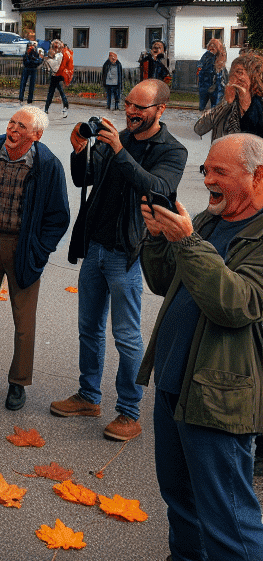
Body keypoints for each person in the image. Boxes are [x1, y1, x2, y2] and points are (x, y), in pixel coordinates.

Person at [131, 133, 263, 561]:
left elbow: (237, 304)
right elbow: (164, 281)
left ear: (257, 176)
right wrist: (159, 238)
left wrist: (188, 241)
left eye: (219, 172)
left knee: (229, 515)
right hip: (176, 380)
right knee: (177, 486)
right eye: (205, 169)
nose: (206, 180)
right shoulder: (210, 221)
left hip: (220, 394)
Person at [51, 78, 188, 440]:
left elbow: (157, 188)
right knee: (89, 329)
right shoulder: (119, 137)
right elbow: (84, 178)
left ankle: (129, 412)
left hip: (127, 252)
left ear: (160, 109)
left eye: (139, 107)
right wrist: (79, 151)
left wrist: (119, 151)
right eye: (128, 103)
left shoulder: (172, 150)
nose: (130, 112)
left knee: (126, 336)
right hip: (95, 246)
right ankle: (88, 396)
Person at [0, 107, 70, 411]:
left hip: (23, 246)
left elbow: (59, 216)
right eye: (12, 122)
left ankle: (18, 382)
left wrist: (40, 250)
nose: (13, 129)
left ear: (37, 135)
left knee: (24, 319)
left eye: (22, 126)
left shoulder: (48, 164)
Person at [194, 50, 263, 142]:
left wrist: (246, 104)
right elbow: (199, 128)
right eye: (232, 72)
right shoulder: (229, 99)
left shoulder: (259, 104)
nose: (234, 77)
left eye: (239, 72)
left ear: (253, 77)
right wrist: (226, 103)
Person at [197, 38, 228, 112]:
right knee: (202, 106)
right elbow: (200, 66)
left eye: (214, 45)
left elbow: (223, 76)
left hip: (217, 85)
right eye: (211, 45)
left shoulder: (221, 57)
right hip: (205, 84)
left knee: (215, 106)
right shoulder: (206, 55)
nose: (212, 47)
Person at [43, 39, 70, 118]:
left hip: (58, 76)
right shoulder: (58, 55)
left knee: (57, 92)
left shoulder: (61, 56)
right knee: (54, 92)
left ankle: (64, 107)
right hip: (55, 76)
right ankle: (47, 108)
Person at [19, 40, 42, 105]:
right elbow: (26, 62)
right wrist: (33, 61)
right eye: (30, 46)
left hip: (33, 69)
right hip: (27, 68)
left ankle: (30, 100)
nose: (31, 47)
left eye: (32, 46)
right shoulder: (27, 53)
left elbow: (39, 61)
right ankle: (21, 98)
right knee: (23, 83)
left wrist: (34, 61)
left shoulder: (36, 53)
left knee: (32, 85)